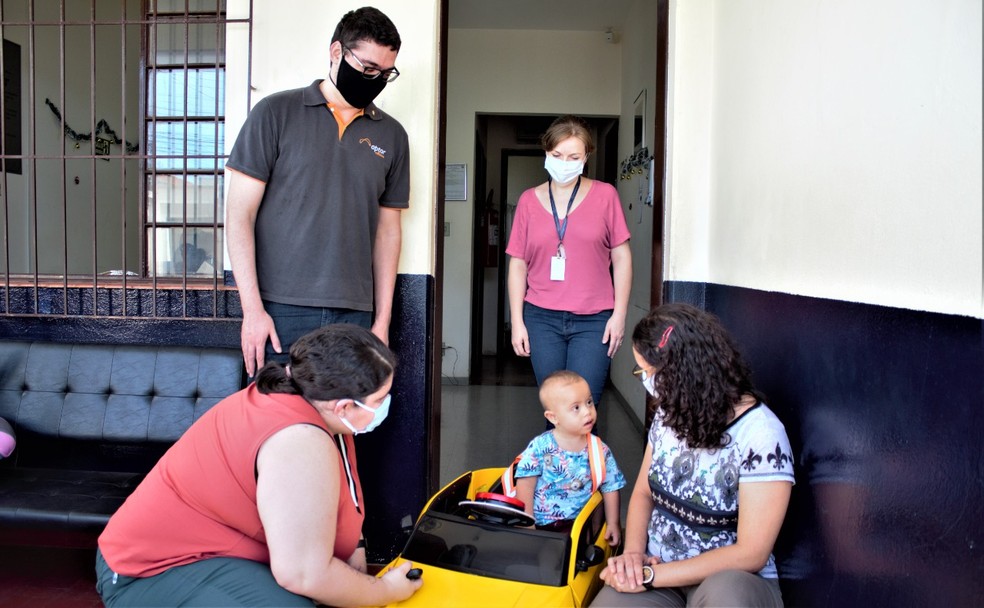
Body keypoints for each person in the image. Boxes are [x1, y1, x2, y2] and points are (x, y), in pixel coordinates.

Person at [95, 325, 422, 607]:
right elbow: (302, 573)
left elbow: (334, 509)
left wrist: (355, 564)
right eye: (380, 400)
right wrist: (384, 590)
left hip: (212, 552)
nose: (384, 407)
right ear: (346, 405)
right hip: (146, 572)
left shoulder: (310, 404)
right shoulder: (298, 441)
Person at [226, 6, 409, 376]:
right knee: (279, 426)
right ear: (337, 52)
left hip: (355, 312)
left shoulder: (392, 135)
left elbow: (388, 231)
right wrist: (253, 310)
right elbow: (238, 216)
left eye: (385, 73)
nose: (375, 80)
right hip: (279, 308)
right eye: (368, 69)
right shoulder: (274, 113)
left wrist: (382, 320)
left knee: (341, 427)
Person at [593, 303, 794, 608]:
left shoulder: (761, 434)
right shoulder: (669, 414)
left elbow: (751, 552)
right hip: (659, 567)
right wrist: (634, 556)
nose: (646, 382)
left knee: (728, 598)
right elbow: (644, 494)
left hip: (729, 579)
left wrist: (648, 577)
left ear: (685, 374)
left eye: (649, 372)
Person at [506, 114, 632, 411]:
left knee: (583, 410)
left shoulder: (605, 196)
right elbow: (517, 264)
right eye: (557, 155)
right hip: (541, 318)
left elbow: (622, 256)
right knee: (557, 411)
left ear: (586, 156)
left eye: (573, 156)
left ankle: (589, 459)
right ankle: (554, 459)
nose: (565, 162)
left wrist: (620, 315)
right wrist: (517, 322)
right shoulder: (528, 201)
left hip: (594, 320)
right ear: (546, 153)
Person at [511, 370, 626, 544]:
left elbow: (611, 487)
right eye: (576, 408)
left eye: (589, 402)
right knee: (549, 563)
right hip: (543, 525)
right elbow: (525, 484)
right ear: (553, 417)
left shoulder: (599, 449)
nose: (587, 412)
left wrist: (613, 523)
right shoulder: (540, 447)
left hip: (581, 525)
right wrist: (527, 526)